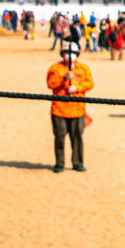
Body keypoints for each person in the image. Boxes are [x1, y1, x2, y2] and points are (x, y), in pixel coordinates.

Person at [46, 41, 94, 172]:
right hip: (59, 109)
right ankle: (59, 163)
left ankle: (78, 163)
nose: (70, 56)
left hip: (77, 109)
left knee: (77, 137)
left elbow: (90, 83)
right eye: (67, 53)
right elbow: (50, 84)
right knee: (59, 137)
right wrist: (63, 79)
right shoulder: (55, 68)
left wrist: (77, 87)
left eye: (73, 53)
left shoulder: (83, 68)